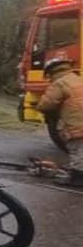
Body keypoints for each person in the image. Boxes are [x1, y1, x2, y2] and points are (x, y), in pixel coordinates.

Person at [36, 58, 83, 186]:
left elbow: (46, 105)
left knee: (77, 148)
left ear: (51, 72)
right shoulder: (78, 78)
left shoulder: (59, 83)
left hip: (77, 121)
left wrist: (39, 105)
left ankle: (78, 177)